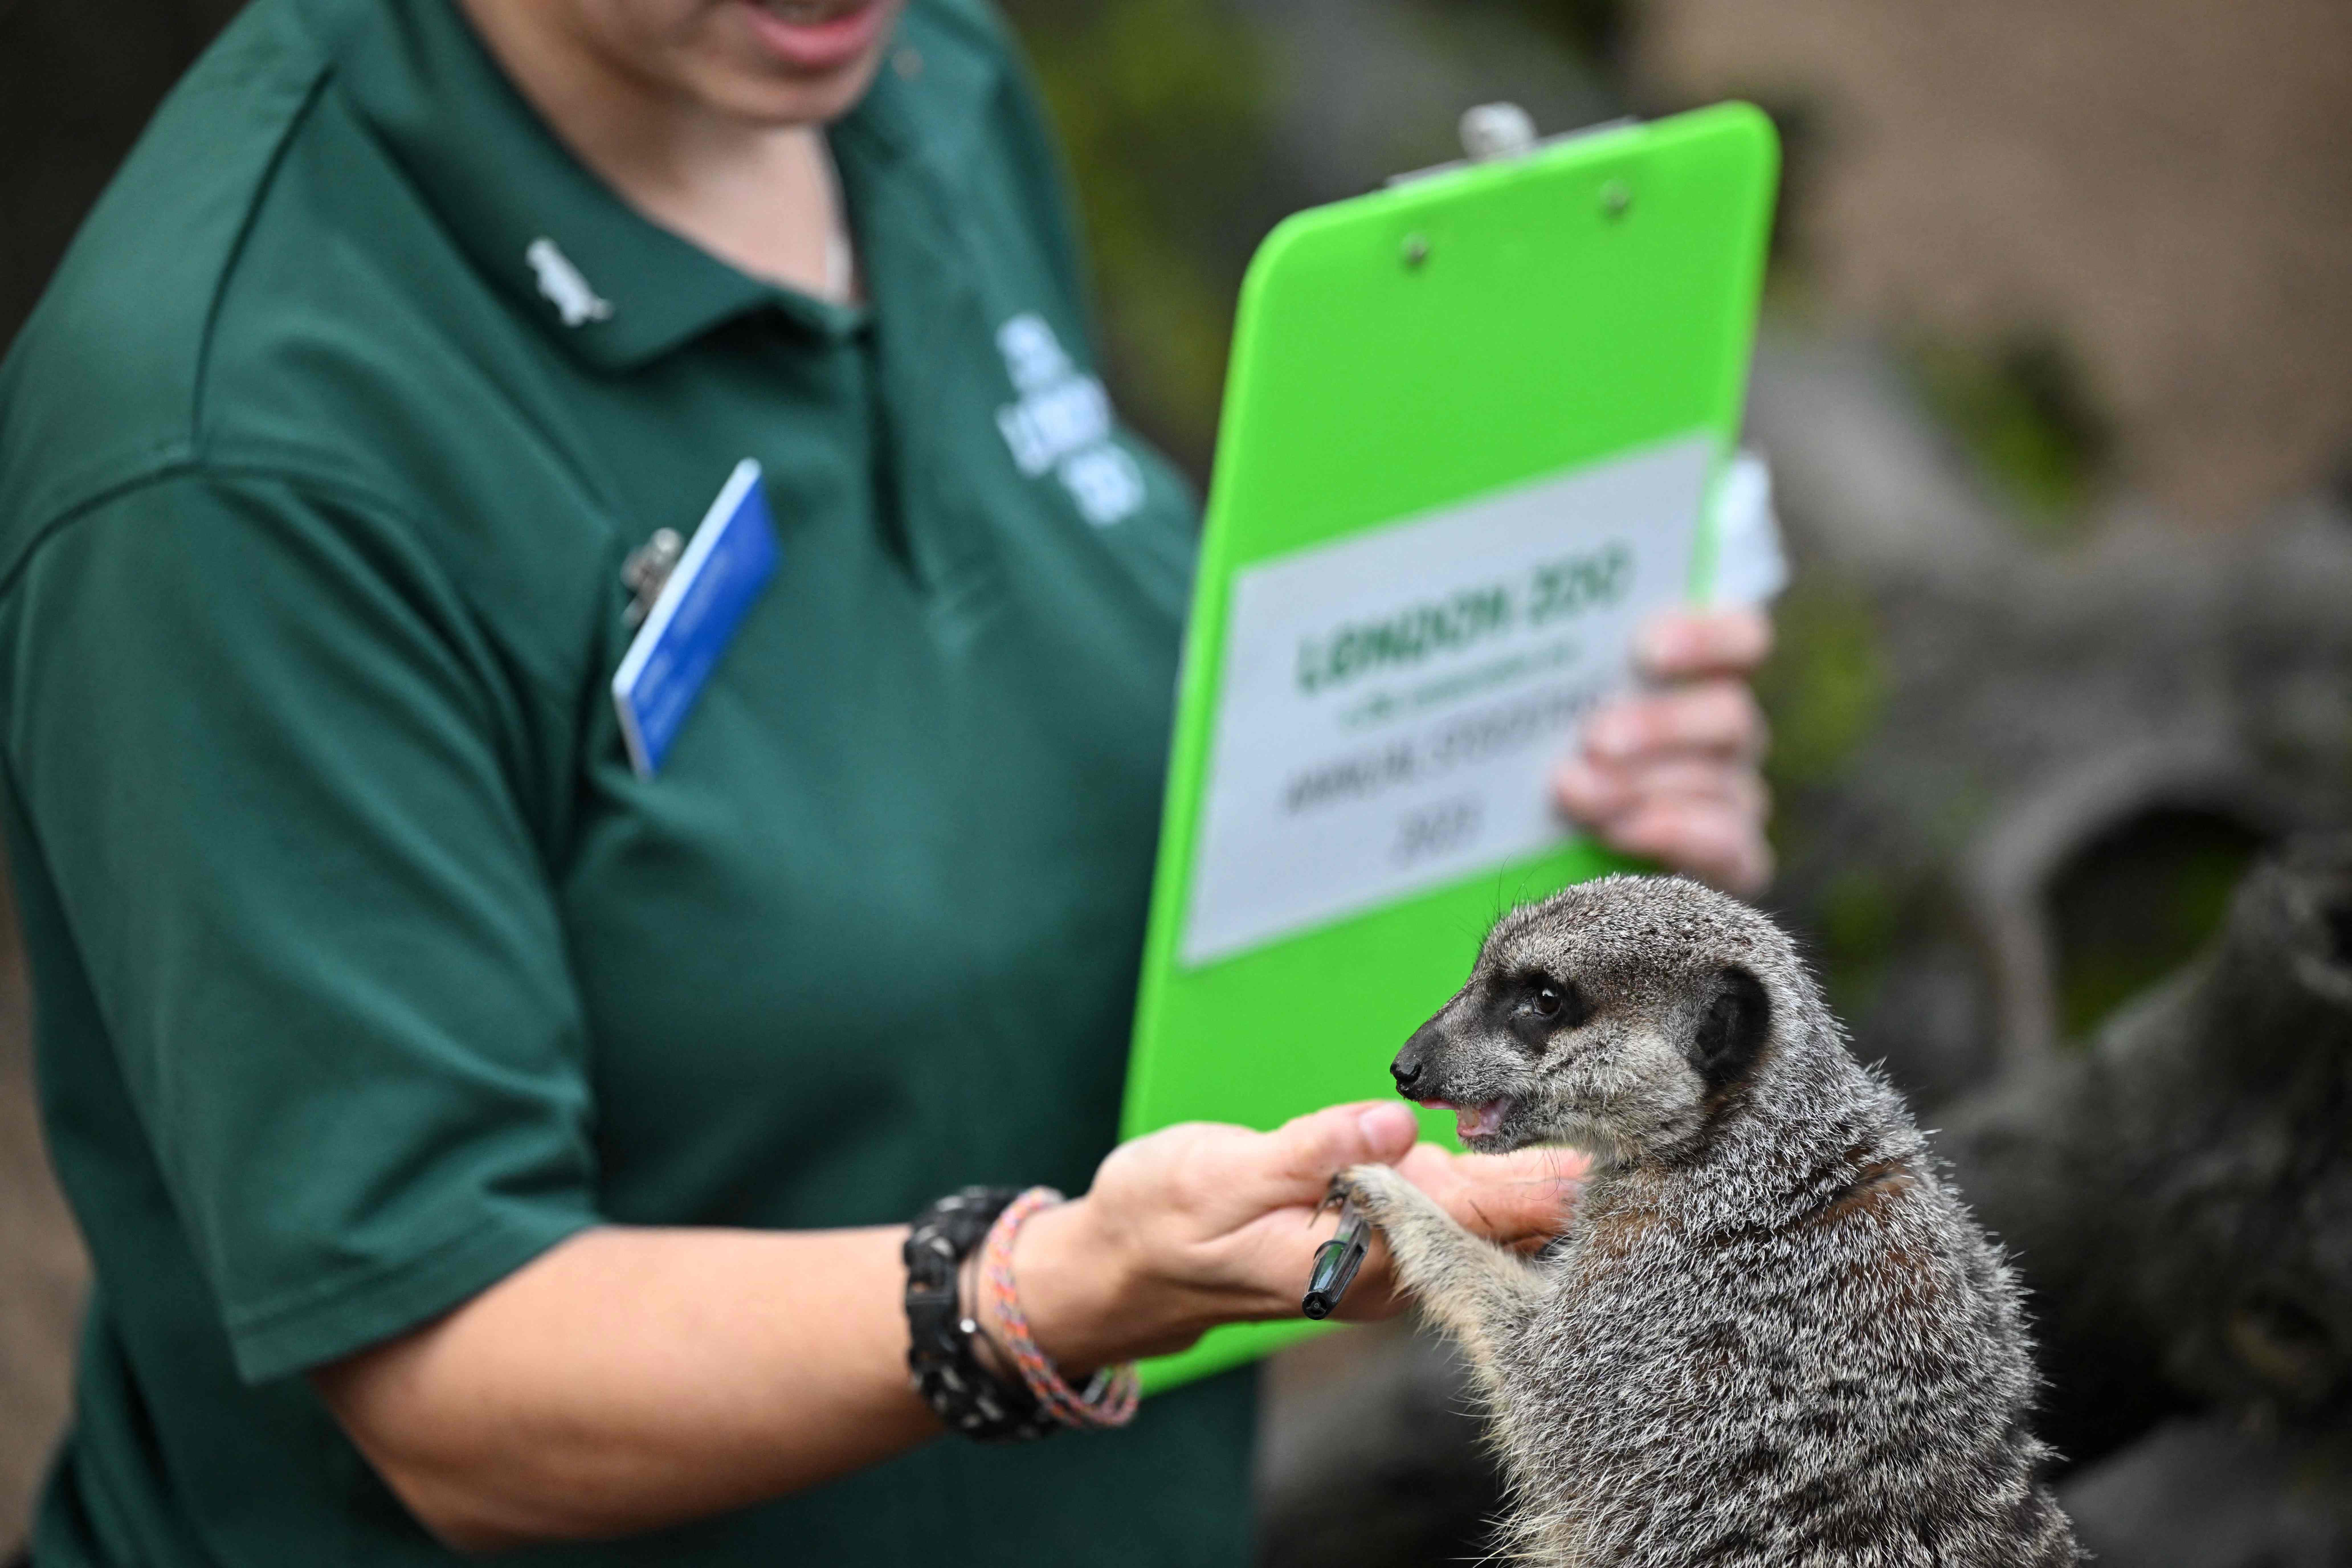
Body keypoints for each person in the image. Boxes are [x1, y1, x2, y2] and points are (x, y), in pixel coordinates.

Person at [0, 0, 1773, 1560]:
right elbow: (456, 1387)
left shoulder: (909, 75)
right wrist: (1033, 1297)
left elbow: (1064, 751)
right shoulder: (231, 457)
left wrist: (1541, 831)